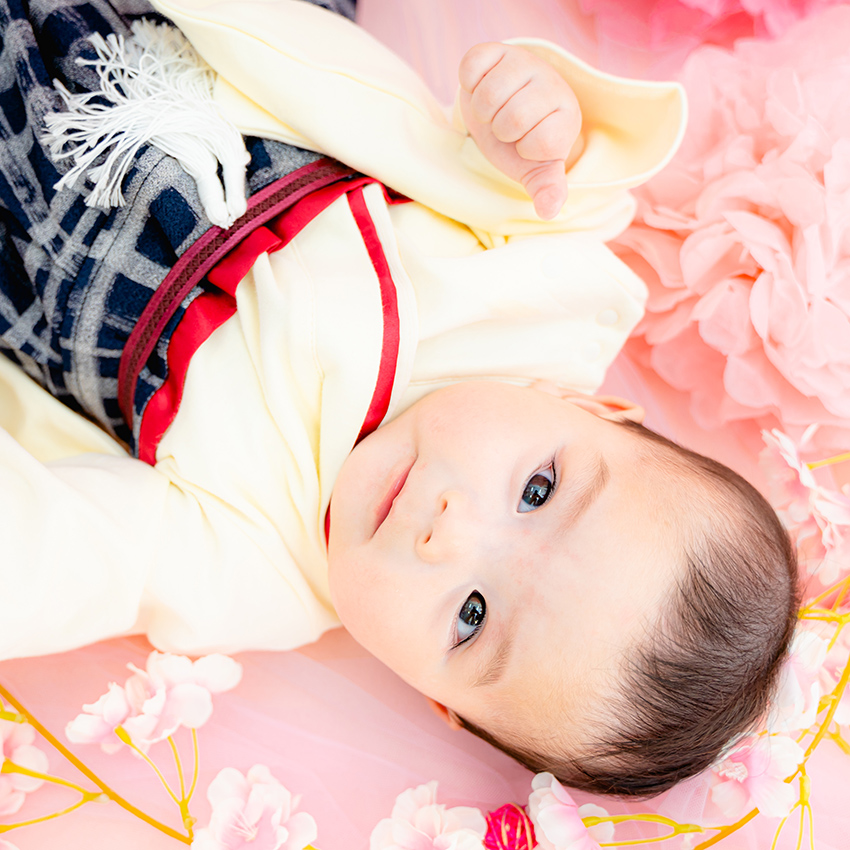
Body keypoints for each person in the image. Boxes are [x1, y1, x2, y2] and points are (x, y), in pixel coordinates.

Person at [0, 0, 798, 797]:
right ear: (592, 408)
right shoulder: (542, 300)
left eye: (473, 615)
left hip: (35, 209)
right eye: (538, 490)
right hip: (217, 55)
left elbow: (75, 558)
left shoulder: (260, 573)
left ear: (437, 699)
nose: (449, 531)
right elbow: (566, 182)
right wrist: (530, 119)